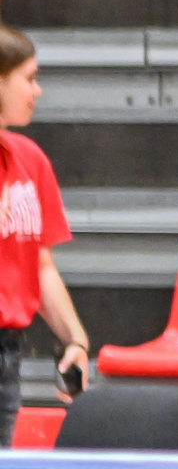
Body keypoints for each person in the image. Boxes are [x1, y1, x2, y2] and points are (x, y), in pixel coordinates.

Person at [0, 27, 88, 447]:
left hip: (7, 354)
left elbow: (41, 265)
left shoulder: (30, 160)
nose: (38, 90)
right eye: (29, 78)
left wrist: (75, 340)